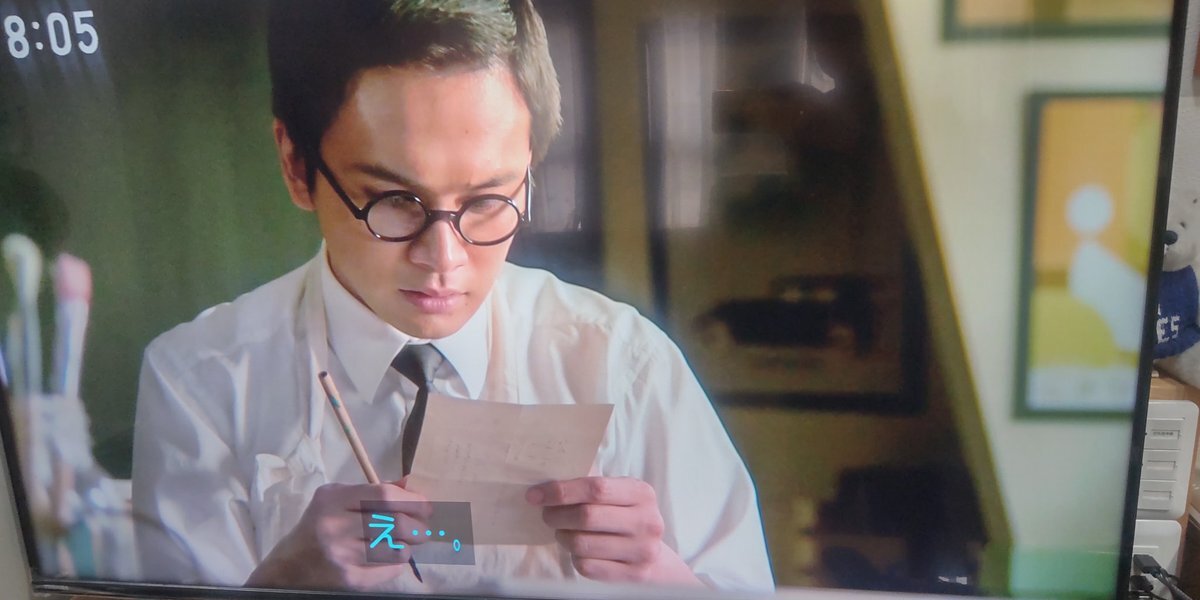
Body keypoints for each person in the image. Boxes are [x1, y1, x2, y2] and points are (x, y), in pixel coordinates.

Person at [131, 0, 772, 594]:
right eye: (393, 200)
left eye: (488, 200)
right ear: (297, 166)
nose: (444, 259)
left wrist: (666, 579)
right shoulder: (202, 382)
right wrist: (279, 584)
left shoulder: (624, 364)